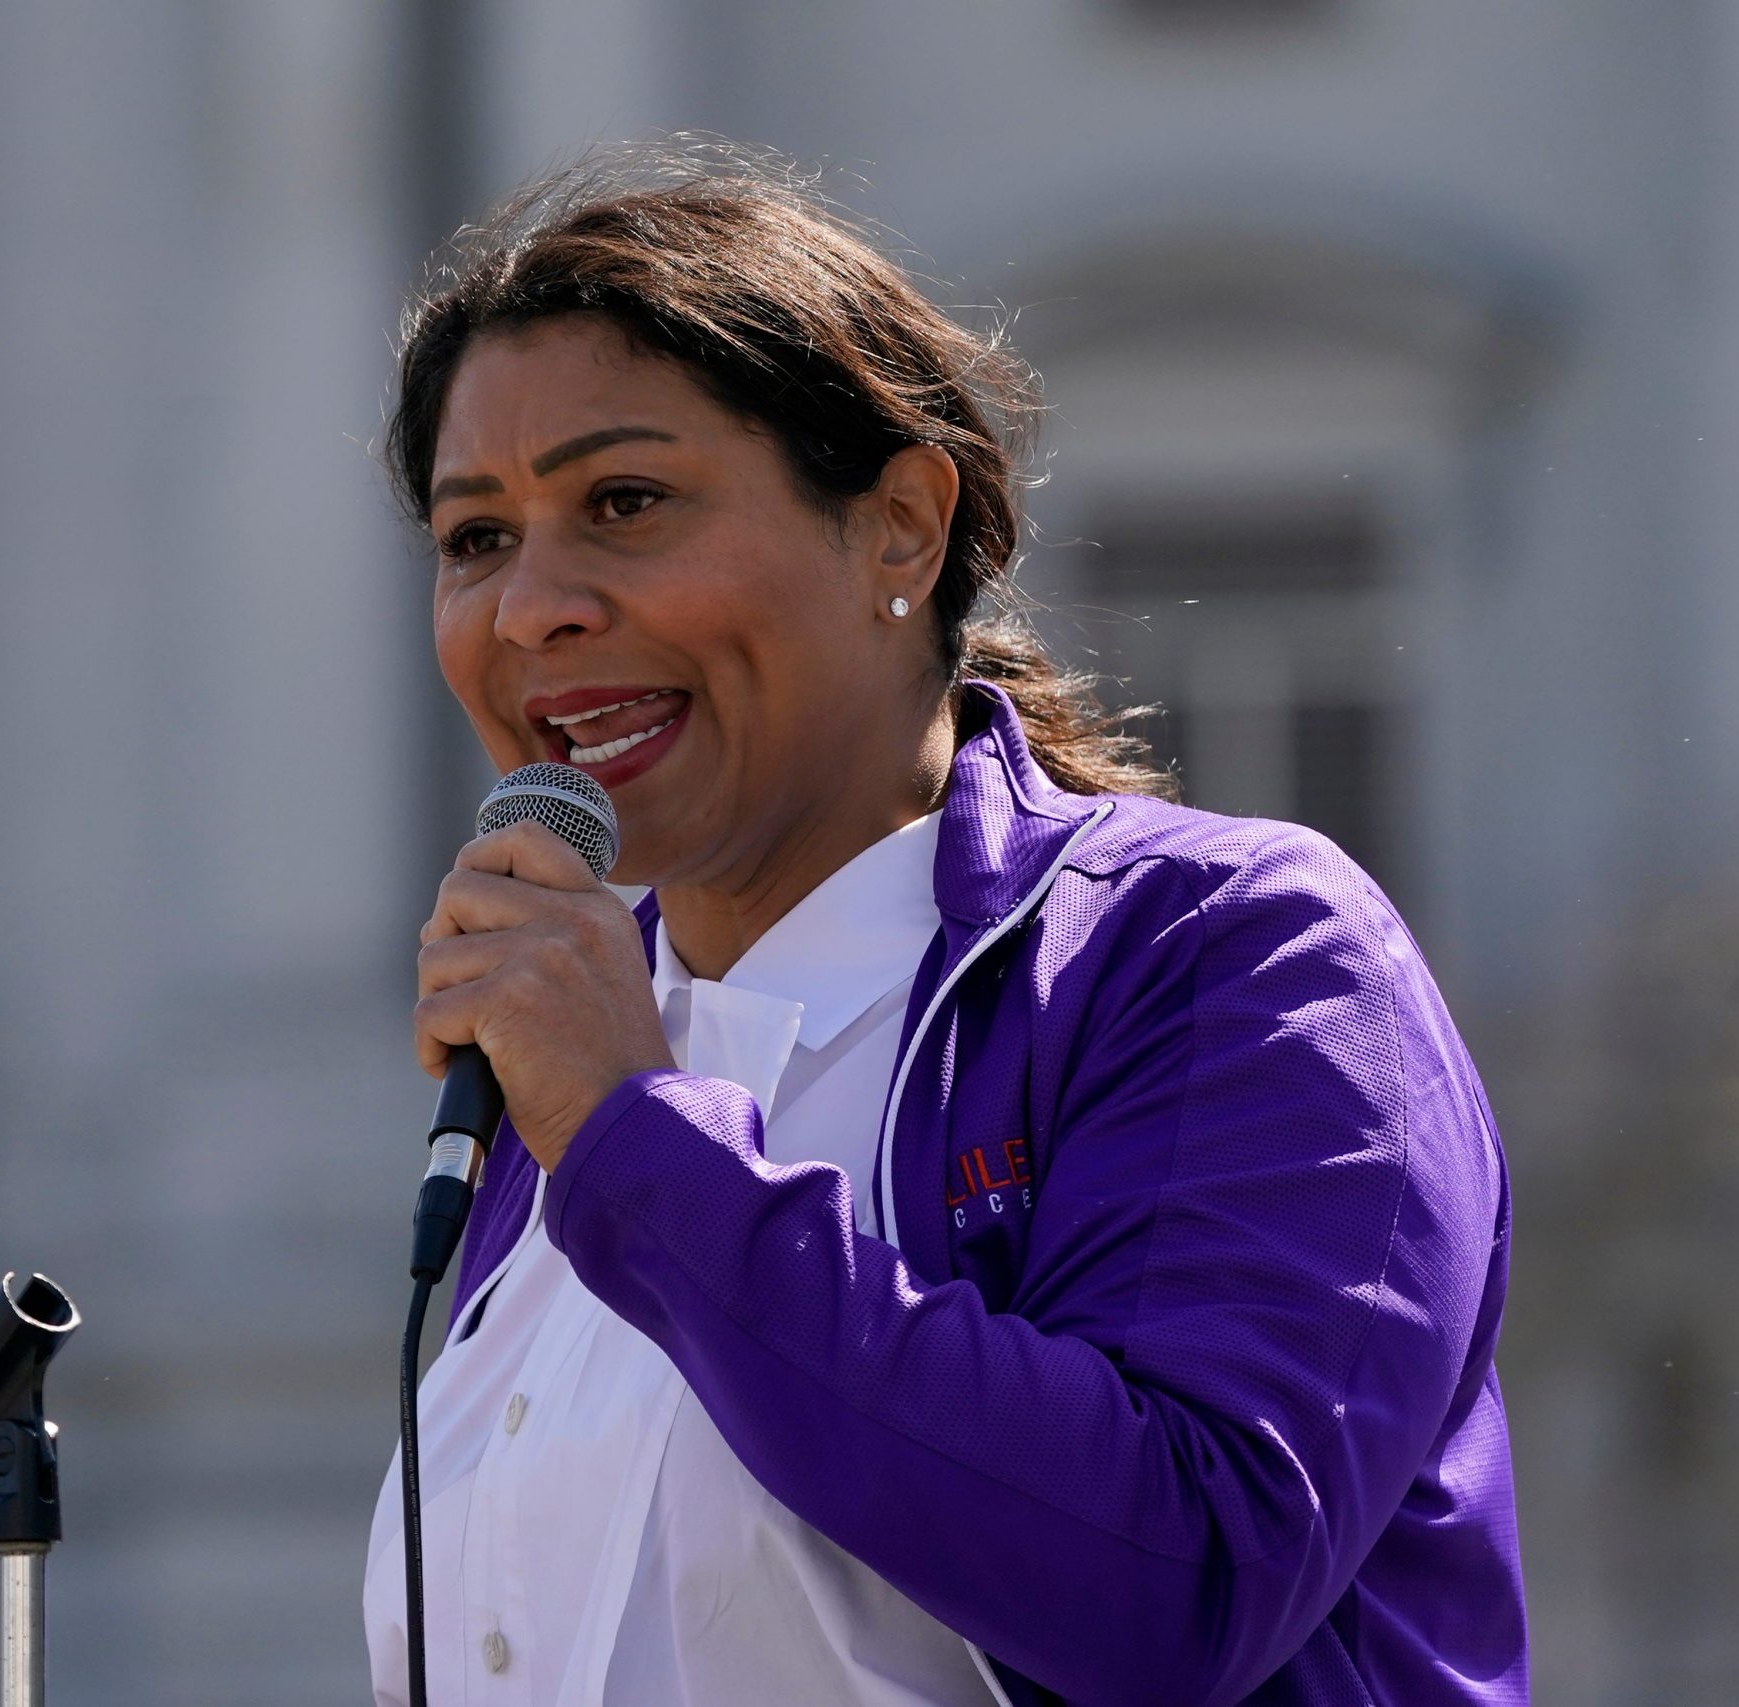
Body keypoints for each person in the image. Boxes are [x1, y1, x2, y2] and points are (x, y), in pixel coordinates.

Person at [361, 143, 1525, 1707]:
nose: (530, 610)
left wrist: (639, 1143)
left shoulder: (1232, 951)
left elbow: (1182, 1575)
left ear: (902, 526)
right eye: (474, 538)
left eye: (624, 502)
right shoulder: (555, 1079)